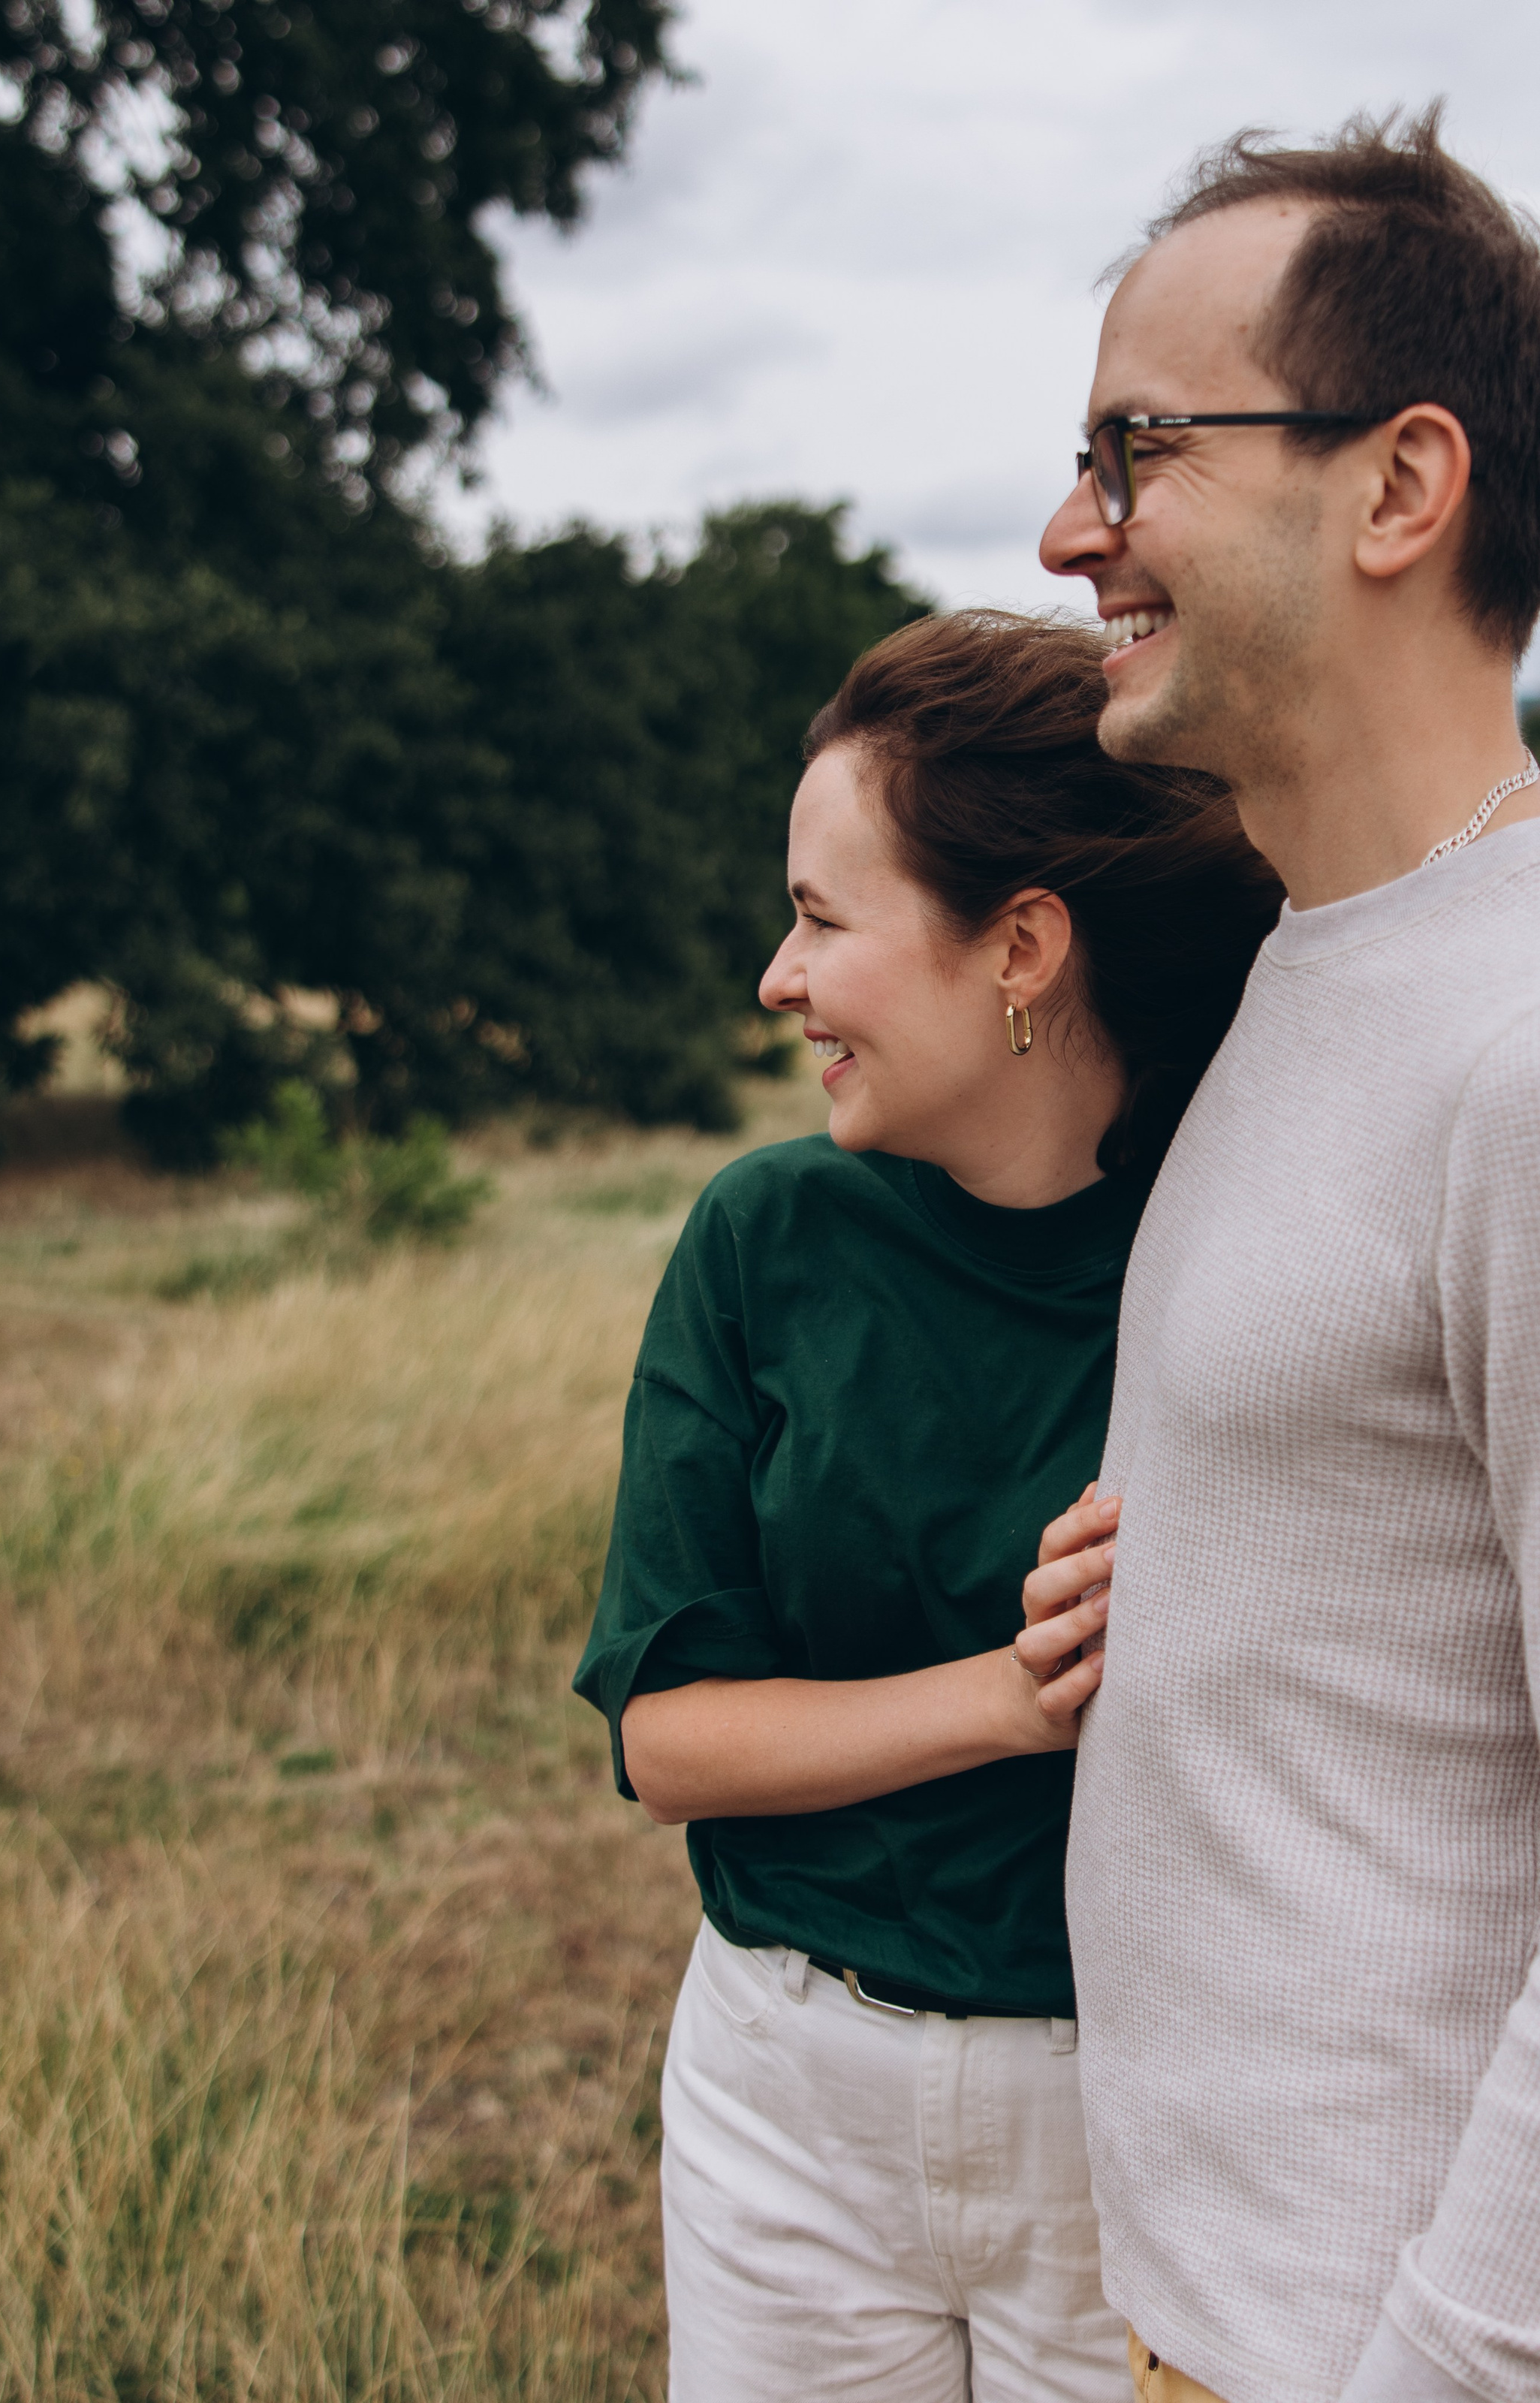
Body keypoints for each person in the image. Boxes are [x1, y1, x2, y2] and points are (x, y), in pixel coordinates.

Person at [573, 609, 1278, 2403]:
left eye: (820, 916)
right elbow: (666, 1737)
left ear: (1020, 948)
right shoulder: (763, 1239)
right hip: (782, 2096)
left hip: (1136, 2118)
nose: (773, 976)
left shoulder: (1256, 1255)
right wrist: (1011, 1693)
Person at [1029, 108, 1540, 2403]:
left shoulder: (1524, 1042)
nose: (1073, 532)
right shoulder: (1315, 961)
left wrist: (1429, 2369)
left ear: (1399, 487)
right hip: (1203, 2317)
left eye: (1134, 449)